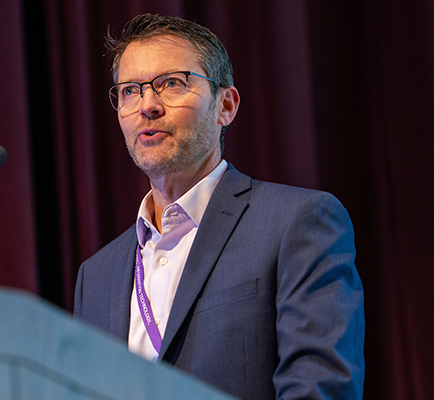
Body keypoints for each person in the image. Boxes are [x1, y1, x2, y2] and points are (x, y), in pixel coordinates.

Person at [73, 14, 365, 399]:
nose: (147, 105)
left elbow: (321, 386)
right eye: (130, 91)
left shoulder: (295, 222)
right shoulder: (95, 278)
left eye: (171, 83)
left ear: (225, 105)